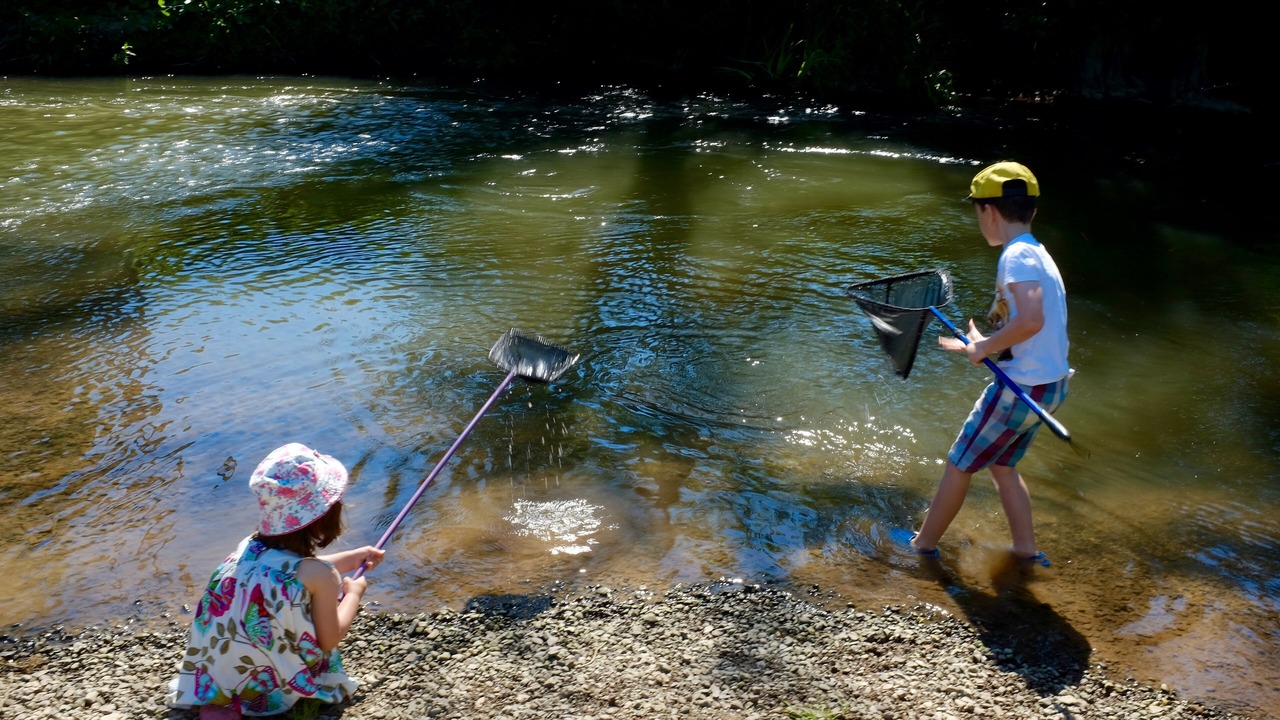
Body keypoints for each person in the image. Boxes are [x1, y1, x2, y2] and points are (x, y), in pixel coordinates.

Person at [909, 161, 1070, 567]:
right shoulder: (1037, 253)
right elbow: (1029, 327)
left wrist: (984, 349)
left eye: (977, 211)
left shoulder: (1016, 257)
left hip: (1022, 389)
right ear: (1032, 209)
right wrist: (985, 345)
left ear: (989, 211)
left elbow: (1031, 320)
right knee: (1002, 465)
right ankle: (1026, 551)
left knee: (959, 463)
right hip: (1049, 386)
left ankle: (922, 546)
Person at [167, 443, 385, 719]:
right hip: (268, 687)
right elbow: (329, 639)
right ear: (324, 517)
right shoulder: (321, 576)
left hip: (212, 678)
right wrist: (354, 593)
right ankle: (266, 698)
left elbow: (293, 574)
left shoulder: (247, 548)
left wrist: (353, 558)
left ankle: (224, 698)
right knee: (320, 641)